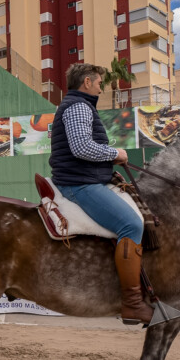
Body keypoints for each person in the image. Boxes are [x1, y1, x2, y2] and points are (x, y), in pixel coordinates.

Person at [50, 63, 151, 325]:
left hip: (86, 179)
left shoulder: (79, 106)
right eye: (98, 83)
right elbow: (82, 147)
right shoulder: (78, 107)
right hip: (79, 184)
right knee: (131, 224)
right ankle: (131, 304)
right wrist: (116, 154)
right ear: (86, 82)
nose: (100, 87)